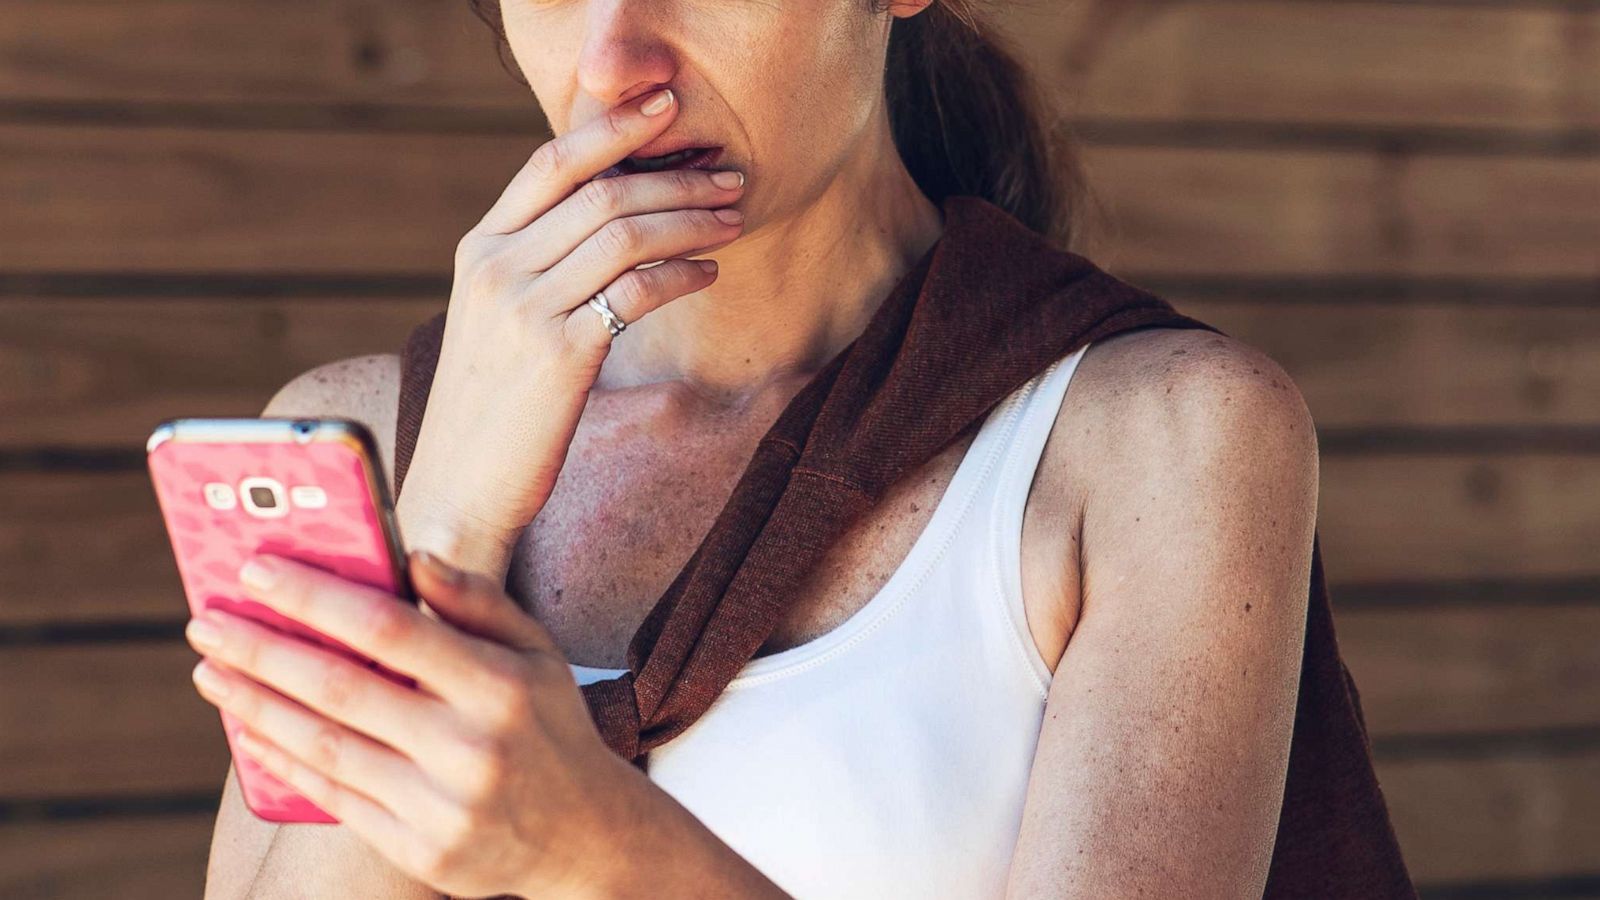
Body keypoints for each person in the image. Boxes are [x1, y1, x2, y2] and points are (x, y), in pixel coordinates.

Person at [180, 1, 1382, 897]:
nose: (614, 64)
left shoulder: (1157, 443)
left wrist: (602, 853)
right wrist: (444, 525)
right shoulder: (356, 441)